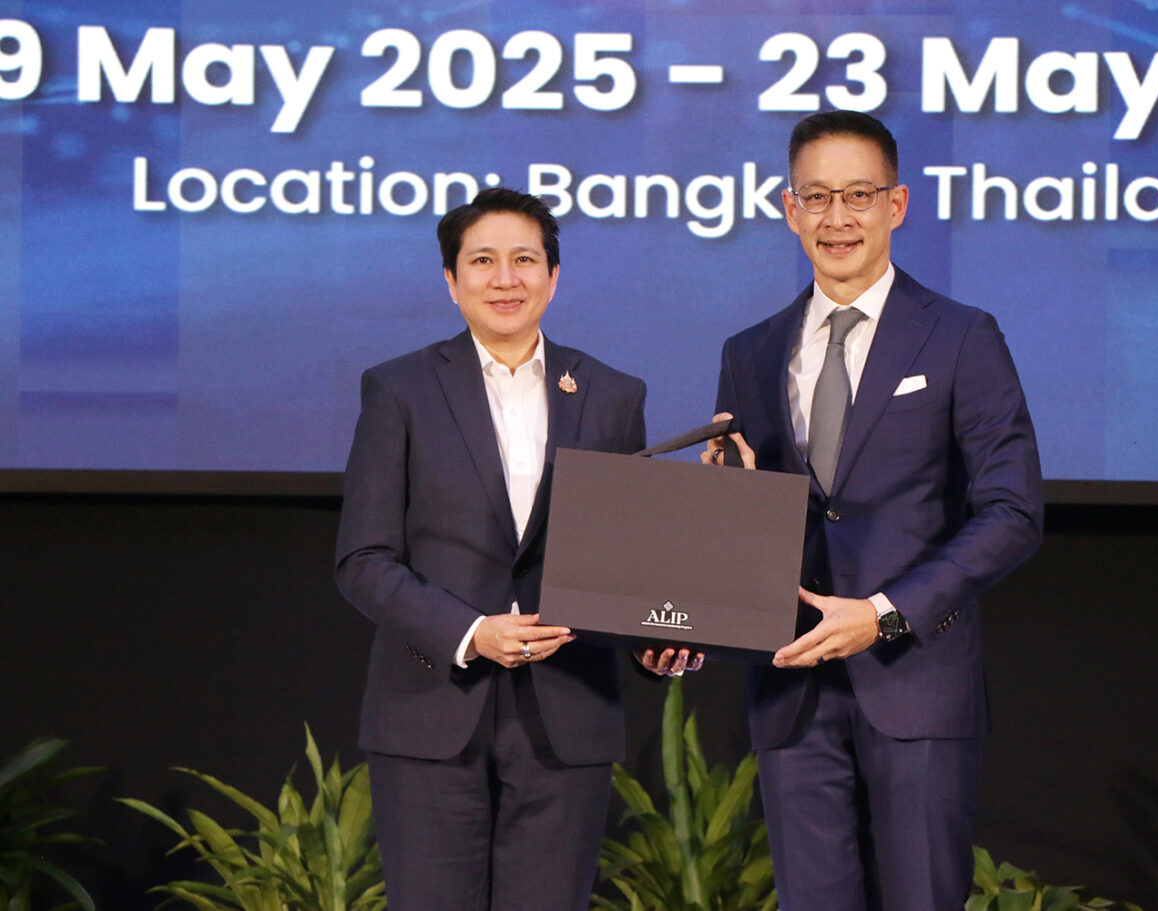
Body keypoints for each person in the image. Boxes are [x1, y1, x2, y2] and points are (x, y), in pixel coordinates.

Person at [705, 111, 1044, 911]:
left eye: (858, 194)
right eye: (816, 197)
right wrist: (726, 500)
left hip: (916, 681)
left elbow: (1012, 511)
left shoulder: (961, 336)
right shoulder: (749, 351)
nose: (838, 217)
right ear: (790, 210)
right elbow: (750, 522)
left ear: (897, 204)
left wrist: (885, 613)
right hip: (791, 689)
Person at [335, 187, 698, 911]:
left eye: (525, 260)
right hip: (431, 709)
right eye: (483, 261)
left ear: (553, 276)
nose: (506, 279)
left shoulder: (612, 394)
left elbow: (626, 560)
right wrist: (471, 632)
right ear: (451, 280)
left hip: (569, 713)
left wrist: (655, 640)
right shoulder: (399, 389)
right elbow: (363, 560)